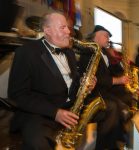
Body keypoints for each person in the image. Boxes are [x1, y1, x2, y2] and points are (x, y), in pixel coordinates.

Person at [7, 12, 95, 150]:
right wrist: (55, 112)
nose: (69, 32)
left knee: (105, 112)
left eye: (68, 28)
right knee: (37, 141)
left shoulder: (70, 53)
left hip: (69, 108)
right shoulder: (26, 52)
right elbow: (18, 95)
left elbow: (71, 84)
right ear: (47, 30)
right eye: (63, 28)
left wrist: (85, 86)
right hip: (41, 113)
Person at [77, 25, 131, 149]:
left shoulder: (103, 52)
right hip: (92, 92)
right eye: (106, 36)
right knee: (113, 107)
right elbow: (97, 78)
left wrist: (122, 73)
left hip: (103, 91)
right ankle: (104, 145)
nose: (108, 39)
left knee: (122, 102)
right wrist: (118, 80)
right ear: (96, 36)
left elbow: (109, 72)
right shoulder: (89, 51)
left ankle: (117, 138)